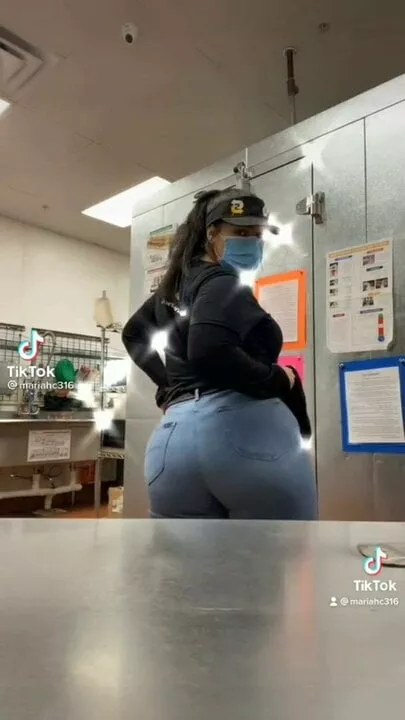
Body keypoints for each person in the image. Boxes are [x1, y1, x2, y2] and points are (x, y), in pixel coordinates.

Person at [122, 188, 317, 519]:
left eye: (257, 234)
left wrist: (170, 388)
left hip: (172, 443)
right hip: (244, 436)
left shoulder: (175, 287)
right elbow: (208, 348)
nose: (251, 242)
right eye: (240, 233)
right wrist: (276, 378)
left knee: (187, 555)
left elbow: (133, 334)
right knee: (276, 549)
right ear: (211, 233)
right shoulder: (222, 282)